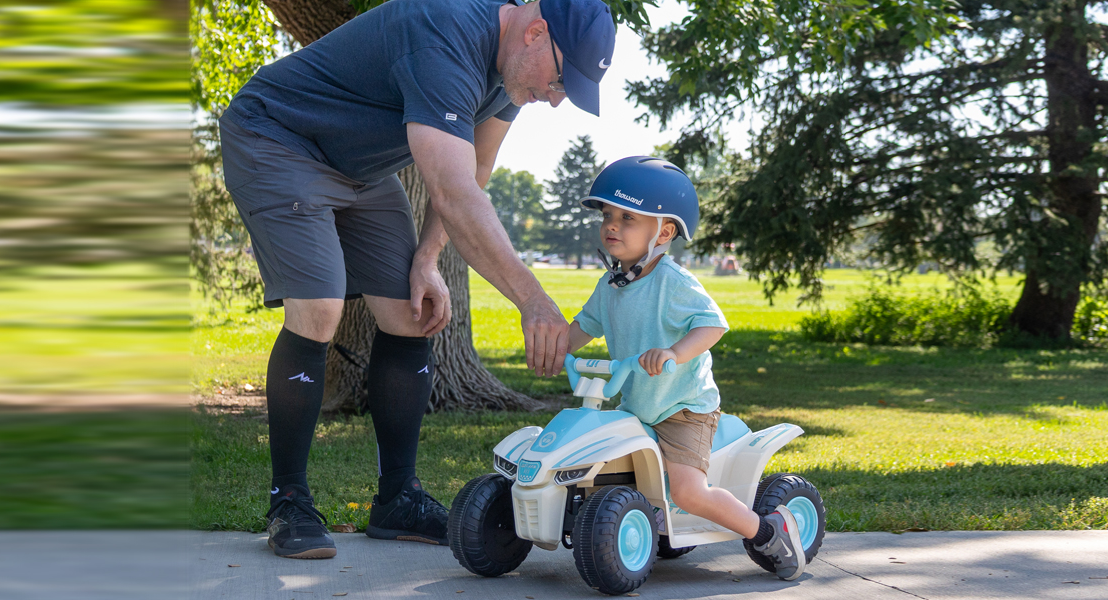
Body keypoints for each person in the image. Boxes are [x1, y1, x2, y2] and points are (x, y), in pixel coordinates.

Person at [217, 0, 616, 559]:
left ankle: (397, 499)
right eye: (559, 80)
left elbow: (474, 170)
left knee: (411, 312)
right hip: (277, 136)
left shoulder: (511, 76)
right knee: (319, 309)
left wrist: (427, 257)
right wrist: (533, 299)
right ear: (536, 32)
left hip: (357, 168)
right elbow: (452, 192)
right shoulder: (444, 33)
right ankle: (289, 499)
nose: (555, 97)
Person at [562, 156, 809, 580]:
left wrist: (674, 352)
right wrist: (555, 349)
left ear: (665, 231)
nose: (612, 225)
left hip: (683, 408)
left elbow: (713, 325)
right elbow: (583, 327)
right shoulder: (610, 285)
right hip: (639, 405)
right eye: (607, 215)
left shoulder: (673, 282)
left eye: (627, 217)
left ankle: (768, 531)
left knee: (689, 491)